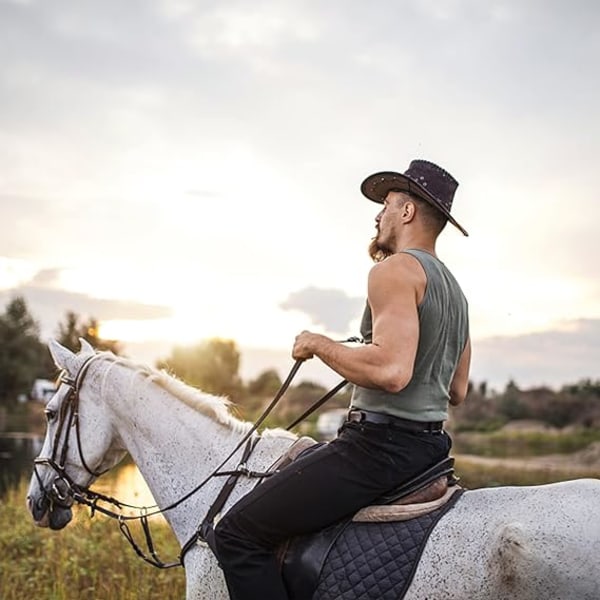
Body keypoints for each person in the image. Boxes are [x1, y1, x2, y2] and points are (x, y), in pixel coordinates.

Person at [213, 159, 471, 600]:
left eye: (387, 205)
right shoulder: (457, 293)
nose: (377, 216)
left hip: (377, 450)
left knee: (235, 534)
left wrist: (319, 343)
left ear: (407, 212)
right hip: (430, 450)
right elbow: (457, 390)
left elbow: (391, 372)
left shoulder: (393, 271)